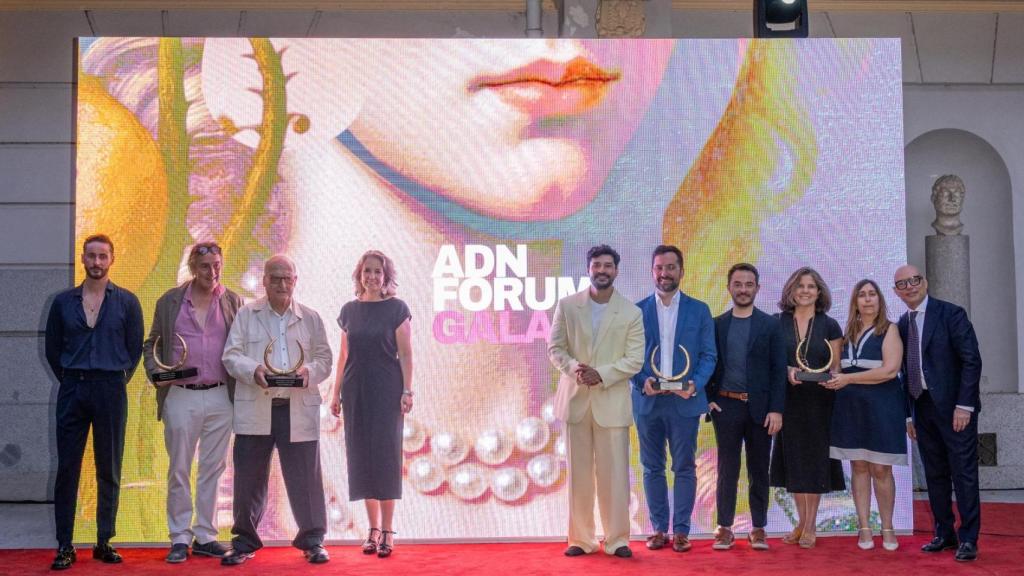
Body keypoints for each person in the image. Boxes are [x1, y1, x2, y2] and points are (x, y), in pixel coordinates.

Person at [220, 255, 334, 566]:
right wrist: (253, 369)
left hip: (297, 407)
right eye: (275, 278)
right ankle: (243, 542)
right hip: (257, 405)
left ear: (296, 281)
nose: (282, 284)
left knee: (306, 479)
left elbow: (325, 358)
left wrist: (309, 372)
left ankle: (313, 540)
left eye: (287, 278)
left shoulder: (310, 317)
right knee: (248, 479)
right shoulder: (246, 314)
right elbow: (231, 356)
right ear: (264, 281)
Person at [44, 234, 144, 570]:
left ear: (111, 259)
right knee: (68, 469)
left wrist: (113, 380)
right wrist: (73, 378)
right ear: (83, 259)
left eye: (103, 256)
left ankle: (104, 541)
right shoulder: (62, 303)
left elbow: (134, 350)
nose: (97, 262)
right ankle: (65, 545)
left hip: (111, 389)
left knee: (109, 468)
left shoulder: (128, 302)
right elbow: (53, 350)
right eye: (91, 256)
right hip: (72, 388)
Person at [142, 242, 243, 562]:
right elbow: (152, 344)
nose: (211, 272)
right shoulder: (170, 302)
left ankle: (205, 536)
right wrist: (157, 372)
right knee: (179, 469)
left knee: (213, 469)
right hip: (180, 396)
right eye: (204, 266)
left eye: (216, 265)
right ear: (191, 267)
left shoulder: (233, 300)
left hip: (220, 396)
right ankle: (179, 536)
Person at [548, 245, 645, 558]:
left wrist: (600, 374)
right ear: (588, 268)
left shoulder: (631, 312)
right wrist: (577, 370)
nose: (602, 270)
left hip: (611, 402)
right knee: (578, 476)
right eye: (596, 265)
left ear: (616, 270)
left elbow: (635, 360)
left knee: (615, 476)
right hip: (576, 401)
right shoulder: (567, 306)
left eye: (608, 265)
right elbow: (555, 348)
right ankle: (581, 539)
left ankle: (618, 540)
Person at [893, 265, 982, 562]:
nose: (910, 287)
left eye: (914, 280)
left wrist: (964, 406)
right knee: (935, 475)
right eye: (902, 284)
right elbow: (904, 375)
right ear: (896, 292)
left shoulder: (951, 314)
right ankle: (945, 533)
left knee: (964, 474)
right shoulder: (901, 325)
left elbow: (971, 361)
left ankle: (968, 538)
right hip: (922, 408)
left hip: (956, 409)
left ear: (925, 282)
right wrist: (908, 416)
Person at [630, 245, 715, 553]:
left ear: (681, 270)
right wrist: (643, 382)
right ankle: (658, 530)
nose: (664, 273)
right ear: (652, 271)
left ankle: (681, 531)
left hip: (684, 400)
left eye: (670, 267)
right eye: (659, 268)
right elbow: (628, 357)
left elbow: (709, 355)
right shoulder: (636, 312)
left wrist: (694, 384)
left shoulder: (699, 310)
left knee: (684, 466)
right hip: (648, 401)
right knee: (651, 467)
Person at [329, 251, 413, 558]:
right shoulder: (349, 311)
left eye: (378, 271)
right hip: (355, 390)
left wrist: (408, 391)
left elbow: (406, 354)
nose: (372, 276)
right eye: (368, 271)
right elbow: (343, 355)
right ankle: (372, 529)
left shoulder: (397, 308)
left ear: (386, 276)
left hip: (387, 390)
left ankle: (388, 530)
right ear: (360, 274)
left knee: (386, 457)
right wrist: (335, 393)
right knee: (362, 457)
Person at [705, 263, 785, 551]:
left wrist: (777, 409)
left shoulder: (771, 325)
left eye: (748, 284)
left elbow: (778, 371)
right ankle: (724, 528)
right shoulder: (716, 324)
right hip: (725, 406)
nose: (742, 289)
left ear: (757, 288)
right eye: (737, 284)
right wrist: (708, 399)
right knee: (727, 469)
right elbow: (707, 364)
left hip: (761, 410)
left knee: (759, 469)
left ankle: (758, 528)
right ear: (729, 288)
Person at [826, 279, 906, 551]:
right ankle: (864, 527)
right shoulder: (845, 332)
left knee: (881, 468)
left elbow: (889, 371)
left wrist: (849, 380)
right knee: (858, 466)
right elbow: (836, 370)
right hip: (850, 408)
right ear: (855, 301)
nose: (868, 299)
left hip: (883, 408)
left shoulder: (890, 329)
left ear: (880, 300)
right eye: (862, 295)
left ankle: (888, 527)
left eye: (873, 294)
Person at [768, 267, 844, 549]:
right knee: (795, 465)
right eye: (800, 286)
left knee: (815, 464)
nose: (805, 291)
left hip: (821, 403)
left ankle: (810, 525)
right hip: (788, 401)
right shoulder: (777, 322)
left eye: (811, 286)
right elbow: (771, 361)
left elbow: (836, 367)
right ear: (791, 290)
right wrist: (786, 369)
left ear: (819, 291)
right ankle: (801, 522)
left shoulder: (831, 325)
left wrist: (832, 379)